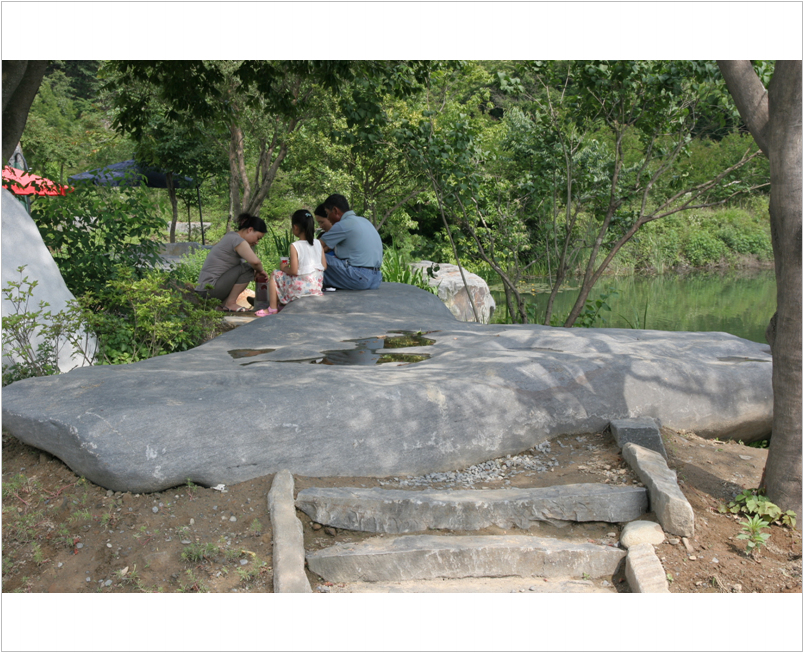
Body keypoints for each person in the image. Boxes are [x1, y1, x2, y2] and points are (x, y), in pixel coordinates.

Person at [256, 209, 327, 317]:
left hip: (300, 290)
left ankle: (272, 308)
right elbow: (324, 266)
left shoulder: (295, 246)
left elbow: (294, 271)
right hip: (316, 288)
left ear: (296, 227)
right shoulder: (318, 243)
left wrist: (284, 267)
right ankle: (280, 304)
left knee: (275, 274)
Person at [195, 213, 267, 312]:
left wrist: (256, 272)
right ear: (250, 230)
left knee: (249, 269)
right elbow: (255, 262)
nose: (257, 242)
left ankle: (222, 305)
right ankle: (230, 303)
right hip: (207, 291)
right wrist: (261, 271)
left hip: (205, 291)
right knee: (248, 268)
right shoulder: (236, 239)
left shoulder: (231, 237)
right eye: (258, 238)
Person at [319, 194, 383, 290]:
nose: (328, 218)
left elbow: (314, 247)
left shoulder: (342, 225)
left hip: (359, 277)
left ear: (335, 211)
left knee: (314, 257)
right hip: (376, 279)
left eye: (328, 213)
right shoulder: (364, 221)